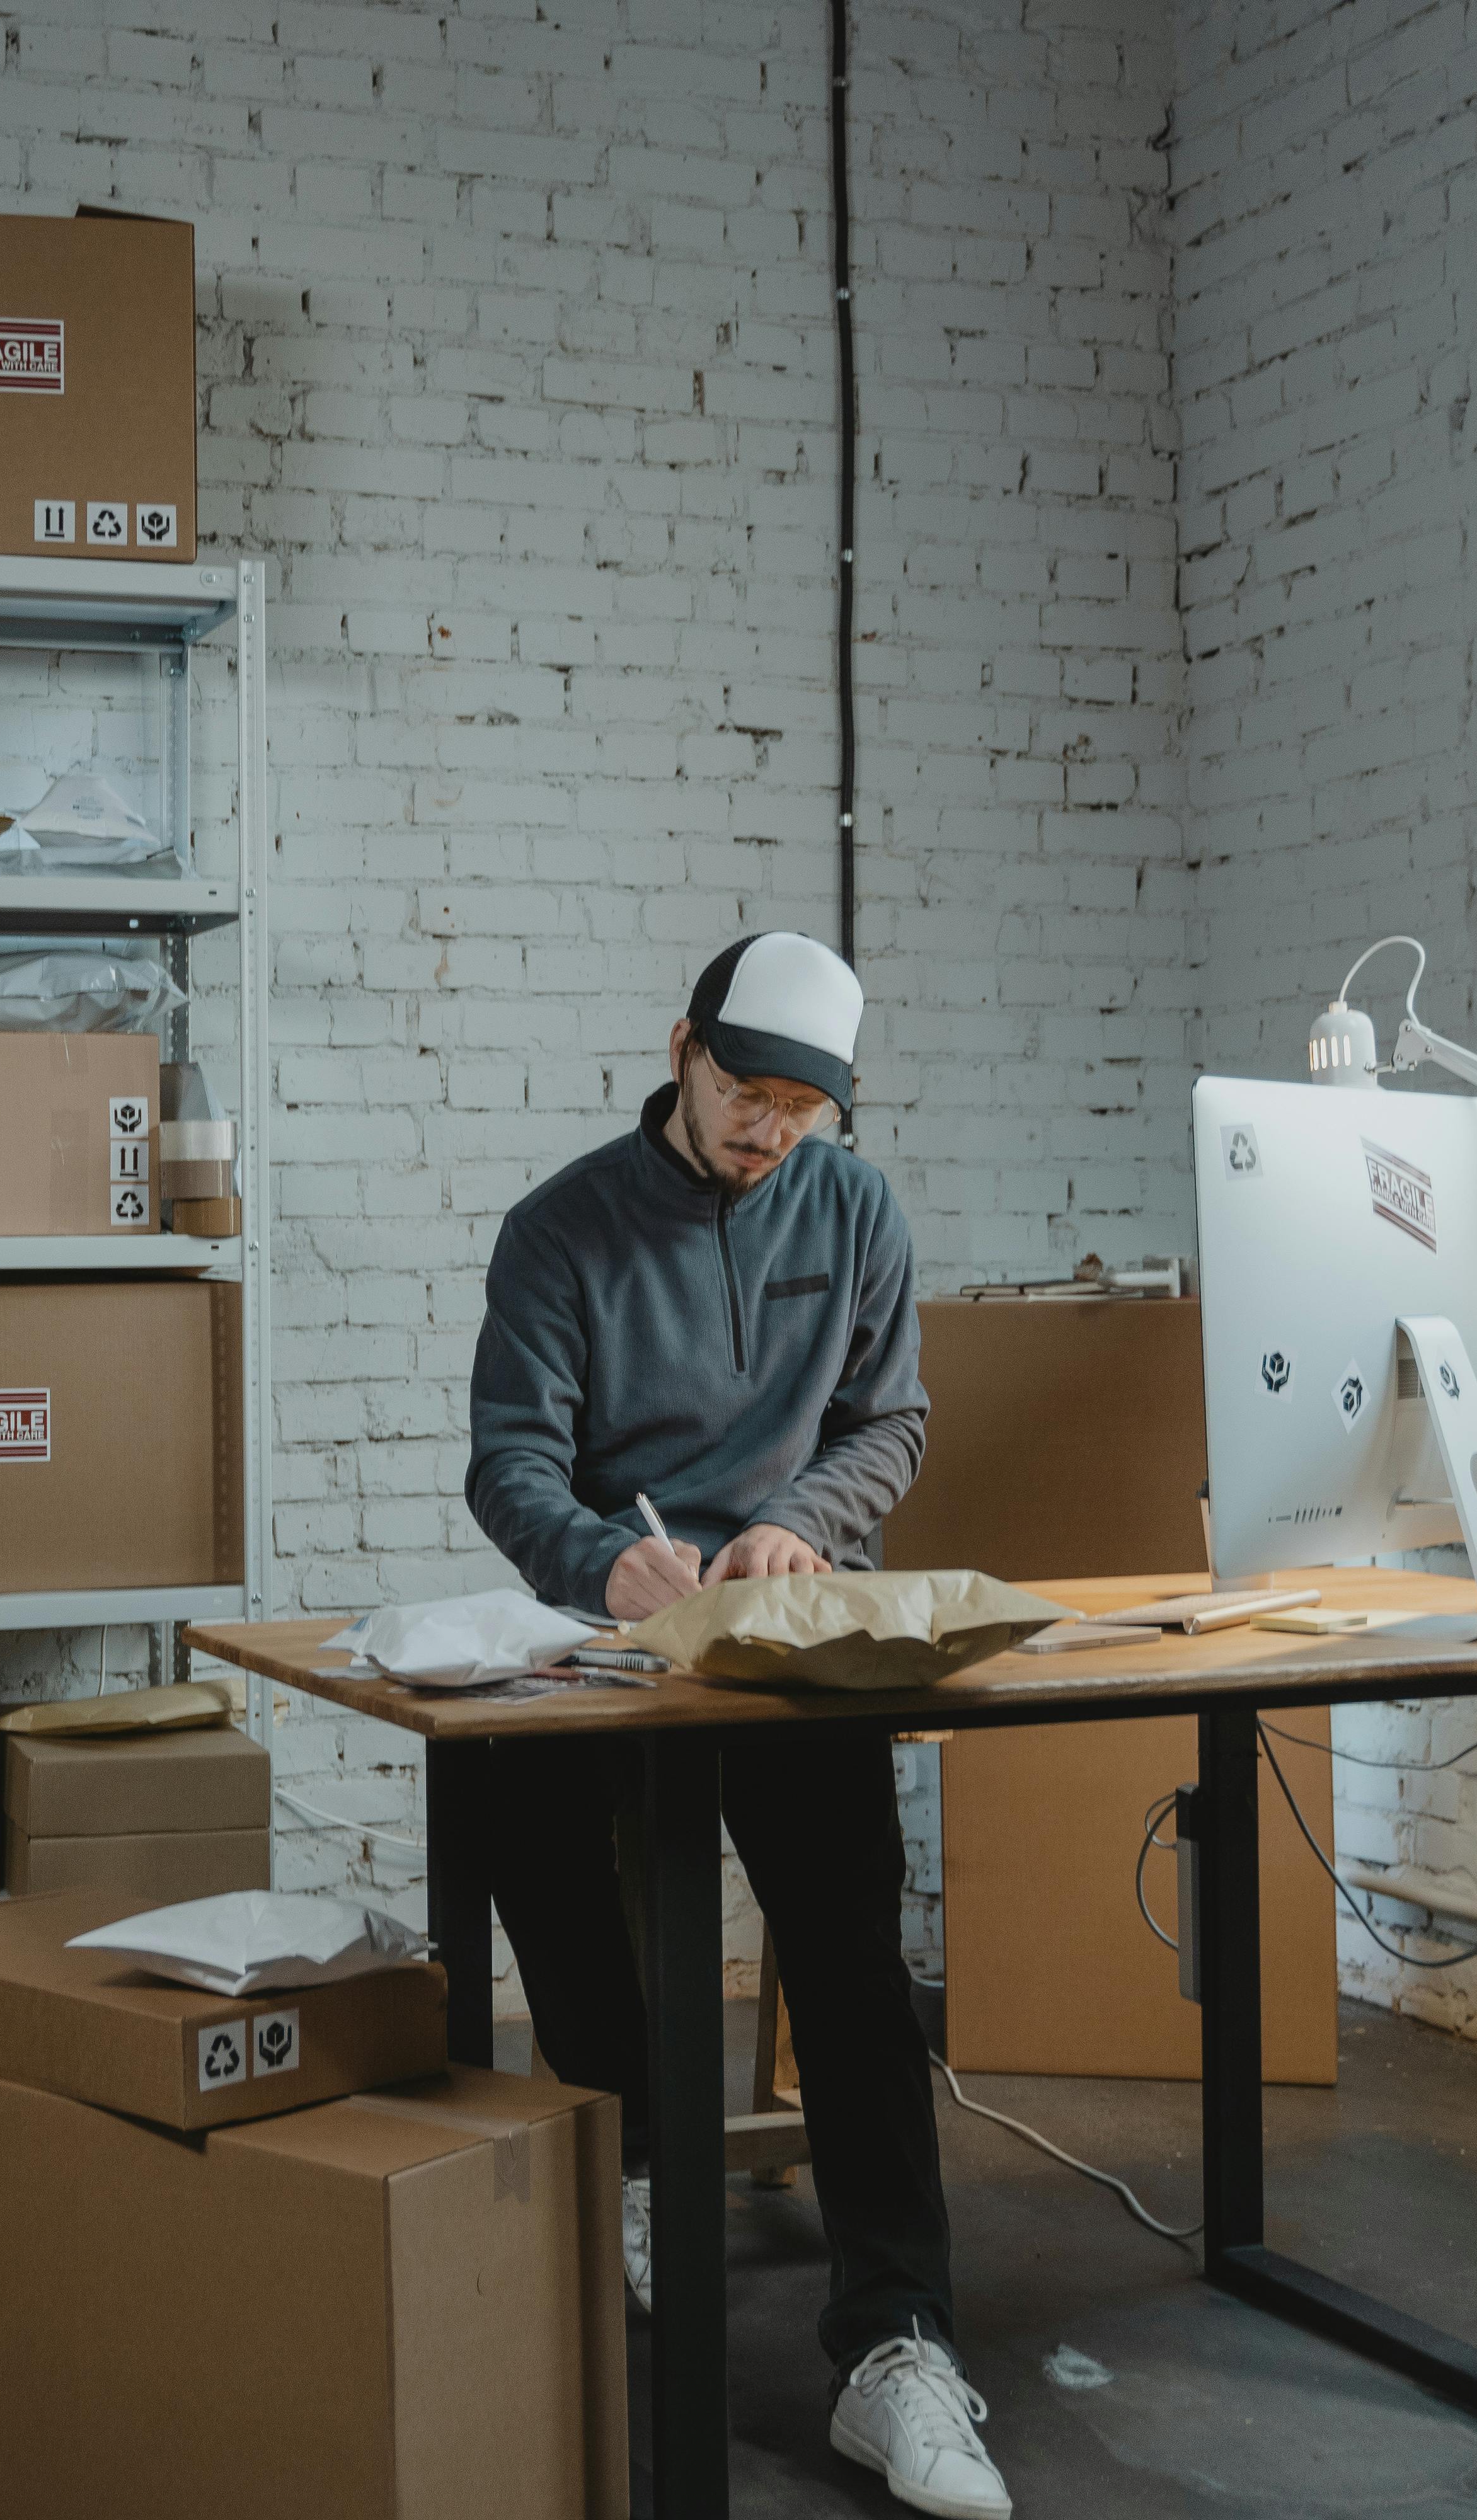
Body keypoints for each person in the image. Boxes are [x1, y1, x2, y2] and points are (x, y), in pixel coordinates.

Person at [464, 932, 1008, 2519]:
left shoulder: (856, 1209)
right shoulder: (560, 1229)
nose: (769, 1132)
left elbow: (888, 1415)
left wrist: (804, 1524)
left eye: (801, 1110)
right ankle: (637, 2152)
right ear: (684, 1046)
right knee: (520, 1815)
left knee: (848, 1933)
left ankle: (898, 2340)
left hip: (784, 1623)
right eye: (747, 1093)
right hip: (615, 1627)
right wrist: (602, 1559)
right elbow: (511, 1461)